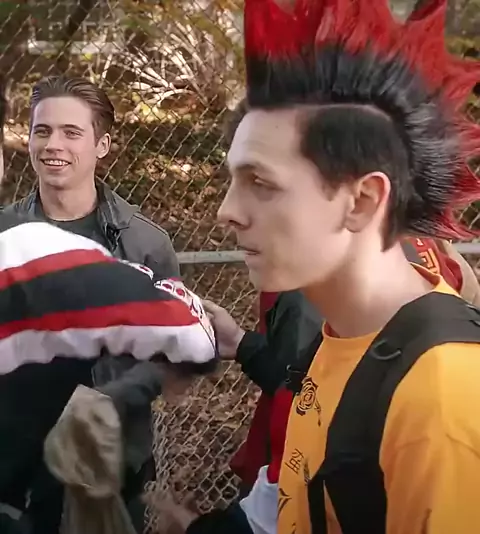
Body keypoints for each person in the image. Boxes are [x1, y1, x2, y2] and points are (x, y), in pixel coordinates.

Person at [159, 0, 480, 532]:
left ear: (361, 201)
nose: (226, 211)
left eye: (260, 182)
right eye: (233, 179)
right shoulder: (341, 339)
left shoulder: (440, 402)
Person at [1, 76, 180, 532]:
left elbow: (168, 354)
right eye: (42, 131)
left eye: (71, 132)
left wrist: (108, 399)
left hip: (110, 468)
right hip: (16, 472)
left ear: (102, 145)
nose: (53, 145)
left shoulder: (143, 243)